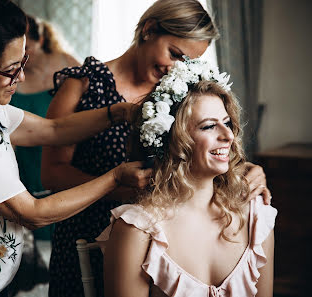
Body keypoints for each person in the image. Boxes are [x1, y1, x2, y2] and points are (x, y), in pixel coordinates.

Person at [0, 1, 151, 296]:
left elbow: (54, 130)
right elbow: (33, 213)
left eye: (23, 62)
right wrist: (114, 178)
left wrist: (119, 112)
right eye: (11, 69)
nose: (21, 77)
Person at [41, 1, 271, 296]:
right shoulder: (83, 86)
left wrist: (247, 170)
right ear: (149, 30)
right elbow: (52, 174)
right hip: (88, 228)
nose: (174, 68)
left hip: (165, 233)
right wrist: (118, 189)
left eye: (186, 62)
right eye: (174, 54)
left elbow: (200, 151)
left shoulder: (182, 93)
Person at [98, 58, 277, 297]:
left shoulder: (256, 216)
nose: (227, 135)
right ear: (173, 142)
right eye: (208, 127)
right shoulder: (137, 230)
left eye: (227, 123)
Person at [9, 15, 80, 240]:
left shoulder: (67, 63)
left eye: (26, 48)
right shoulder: (12, 76)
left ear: (40, 40)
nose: (22, 58)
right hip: (29, 161)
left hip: (69, 152)